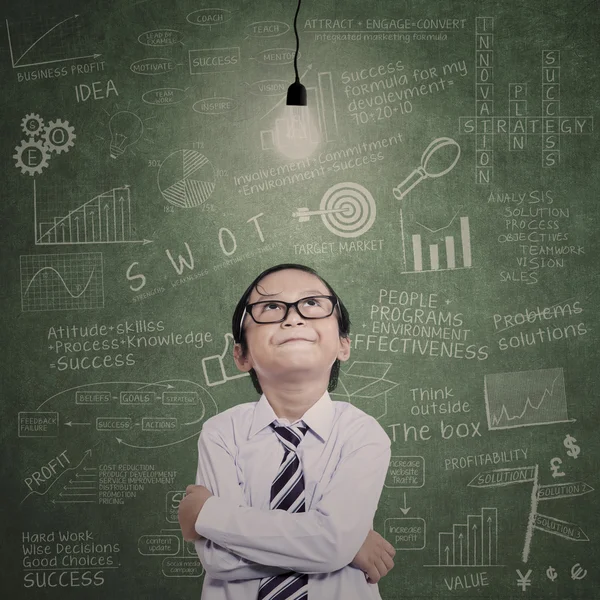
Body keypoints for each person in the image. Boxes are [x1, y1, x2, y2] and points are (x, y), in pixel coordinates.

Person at [178, 263, 395, 599]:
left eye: (312, 304)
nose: (293, 318)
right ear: (241, 355)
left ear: (343, 345)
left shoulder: (363, 434)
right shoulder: (221, 433)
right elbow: (219, 559)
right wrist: (343, 549)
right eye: (270, 307)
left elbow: (332, 544)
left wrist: (209, 515)